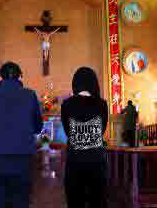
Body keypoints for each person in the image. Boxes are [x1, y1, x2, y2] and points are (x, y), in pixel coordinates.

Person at [0, 62, 43, 208]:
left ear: (0, 77)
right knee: (21, 200)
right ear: (20, 77)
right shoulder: (30, 95)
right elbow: (38, 127)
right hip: (22, 158)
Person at [61, 67, 109, 208]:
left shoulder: (67, 104)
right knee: (97, 201)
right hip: (96, 161)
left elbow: (67, 131)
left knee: (75, 201)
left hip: (75, 161)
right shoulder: (102, 104)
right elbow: (102, 130)